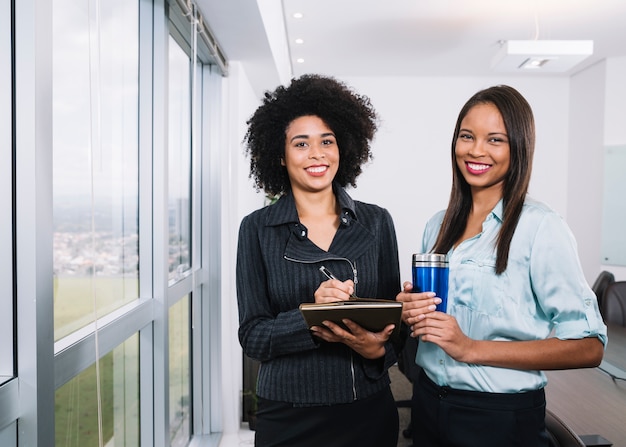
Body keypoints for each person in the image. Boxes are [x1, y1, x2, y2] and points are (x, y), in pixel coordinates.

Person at [396, 85, 607, 447]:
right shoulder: (438, 225)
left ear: (518, 148)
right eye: (467, 136)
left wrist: (471, 348)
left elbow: (589, 346)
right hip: (429, 404)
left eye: (495, 139)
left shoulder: (541, 227)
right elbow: (434, 321)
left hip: (499, 419)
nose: (476, 150)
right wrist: (410, 308)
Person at [236, 74, 402, 447]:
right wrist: (311, 313)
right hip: (289, 413)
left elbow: (397, 323)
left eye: (327, 141)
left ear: (343, 147)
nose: (317, 153)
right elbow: (253, 337)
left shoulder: (377, 222)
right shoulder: (257, 229)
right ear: (279, 155)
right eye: (301, 143)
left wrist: (378, 349)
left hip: (367, 407)